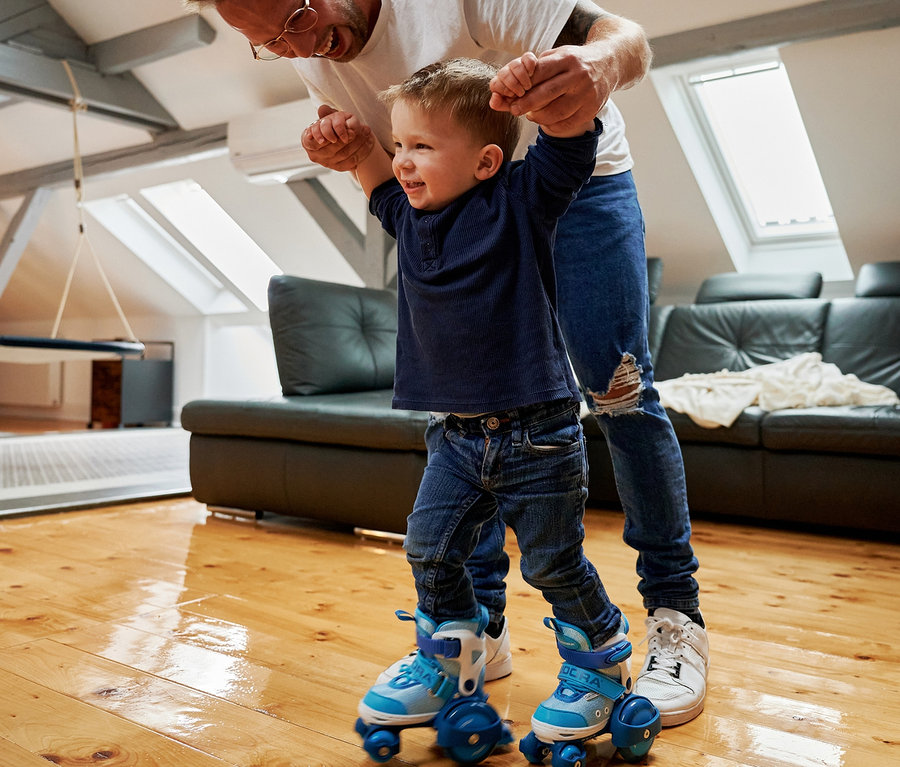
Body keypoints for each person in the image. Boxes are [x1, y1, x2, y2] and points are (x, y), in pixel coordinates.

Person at [188, 0, 709, 727]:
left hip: (570, 176)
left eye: (296, 16)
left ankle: (673, 618)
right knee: (465, 415)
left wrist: (593, 71)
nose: (296, 46)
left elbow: (623, 39)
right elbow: (382, 166)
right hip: (457, 203)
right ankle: (475, 634)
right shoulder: (308, 49)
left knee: (619, 396)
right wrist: (349, 150)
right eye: (267, 42)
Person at [311, 53, 657, 761]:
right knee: (429, 548)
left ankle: (601, 661)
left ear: (486, 161)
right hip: (454, 439)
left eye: (423, 147)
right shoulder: (408, 218)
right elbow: (373, 173)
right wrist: (356, 151)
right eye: (401, 144)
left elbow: (568, 147)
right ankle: (450, 659)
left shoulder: (520, 203)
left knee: (552, 565)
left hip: (538, 434)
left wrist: (557, 98)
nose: (403, 161)